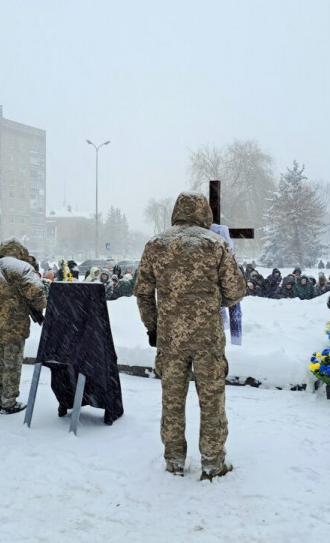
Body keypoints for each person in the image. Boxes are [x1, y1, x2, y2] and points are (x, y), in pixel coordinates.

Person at [134, 192, 245, 480]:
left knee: (172, 400)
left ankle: (173, 460)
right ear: (204, 213)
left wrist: (153, 327)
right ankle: (212, 460)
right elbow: (235, 291)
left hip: (170, 340)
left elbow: (143, 292)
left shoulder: (156, 244)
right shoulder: (215, 244)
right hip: (207, 339)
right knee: (212, 401)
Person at [0, 238, 47, 414]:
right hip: (13, 326)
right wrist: (43, 303)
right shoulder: (21, 268)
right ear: (19, 252)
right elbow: (36, 292)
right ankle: (9, 402)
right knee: (11, 364)